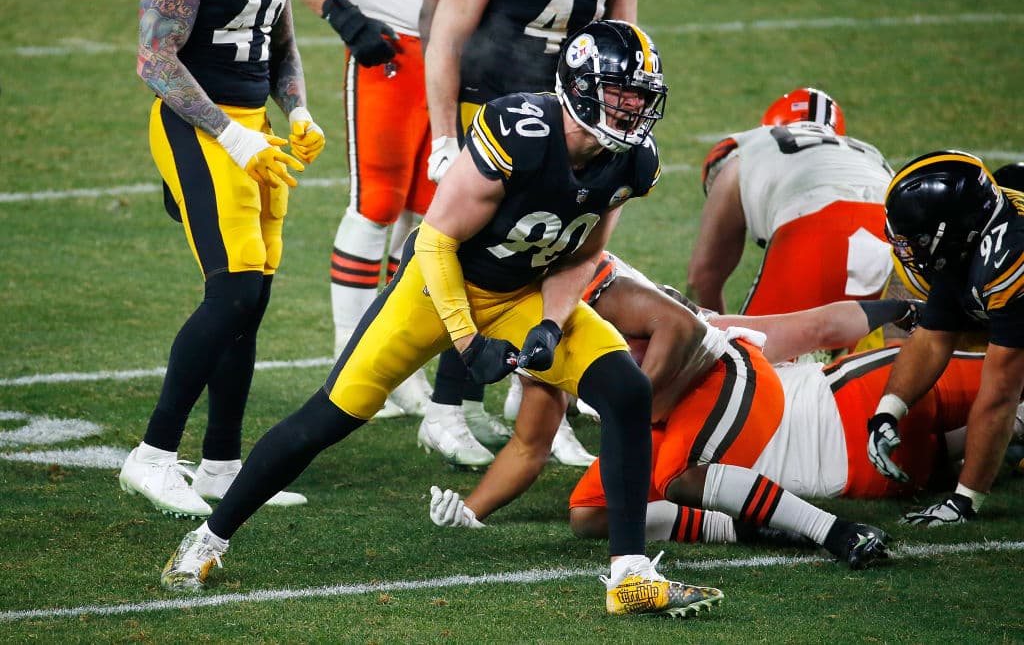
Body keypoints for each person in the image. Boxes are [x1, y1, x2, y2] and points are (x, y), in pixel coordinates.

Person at [160, 20, 725, 618]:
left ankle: (629, 576)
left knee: (626, 389)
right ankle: (207, 539)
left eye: (640, 95)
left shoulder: (632, 163)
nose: (632, 107)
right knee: (330, 415)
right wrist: (466, 340)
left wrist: (552, 326)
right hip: (435, 287)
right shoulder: (521, 129)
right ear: (580, 88)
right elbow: (434, 241)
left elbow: (579, 253)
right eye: (618, 92)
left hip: (522, 292)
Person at [431, 254, 924, 569]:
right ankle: (745, 525)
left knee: (677, 477)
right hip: (661, 415)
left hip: (725, 376)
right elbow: (528, 447)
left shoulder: (592, 286)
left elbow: (683, 328)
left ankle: (836, 532)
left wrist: (904, 313)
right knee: (591, 513)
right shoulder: (530, 339)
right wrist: (470, 512)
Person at [118, 0, 324, 518]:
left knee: (251, 300)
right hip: (198, 129)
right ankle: (153, 454)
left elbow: (277, 41)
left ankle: (221, 465)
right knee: (232, 291)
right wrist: (231, 135)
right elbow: (155, 61)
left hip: (254, 129)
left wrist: (298, 109)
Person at [415, 0, 641, 467]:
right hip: (490, 106)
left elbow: (623, 39)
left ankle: (527, 402)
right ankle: (446, 407)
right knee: (478, 256)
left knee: (551, 252)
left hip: (571, 118)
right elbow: (446, 37)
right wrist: (445, 136)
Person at [291, 0, 438, 422]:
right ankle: (347, 360)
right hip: (387, 44)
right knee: (376, 203)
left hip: (457, 50)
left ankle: (399, 367)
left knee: (430, 215)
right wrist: (338, 10)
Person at [866, 150, 1024, 526]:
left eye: (917, 238)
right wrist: (888, 410)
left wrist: (963, 500)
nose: (906, 247)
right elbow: (932, 338)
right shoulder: (968, 238)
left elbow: (1001, 393)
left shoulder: (1010, 259)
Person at [687, 88, 895, 353]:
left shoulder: (747, 146)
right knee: (878, 373)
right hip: (895, 237)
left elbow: (703, 277)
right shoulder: (869, 154)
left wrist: (712, 344)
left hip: (814, 229)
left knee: (746, 367)